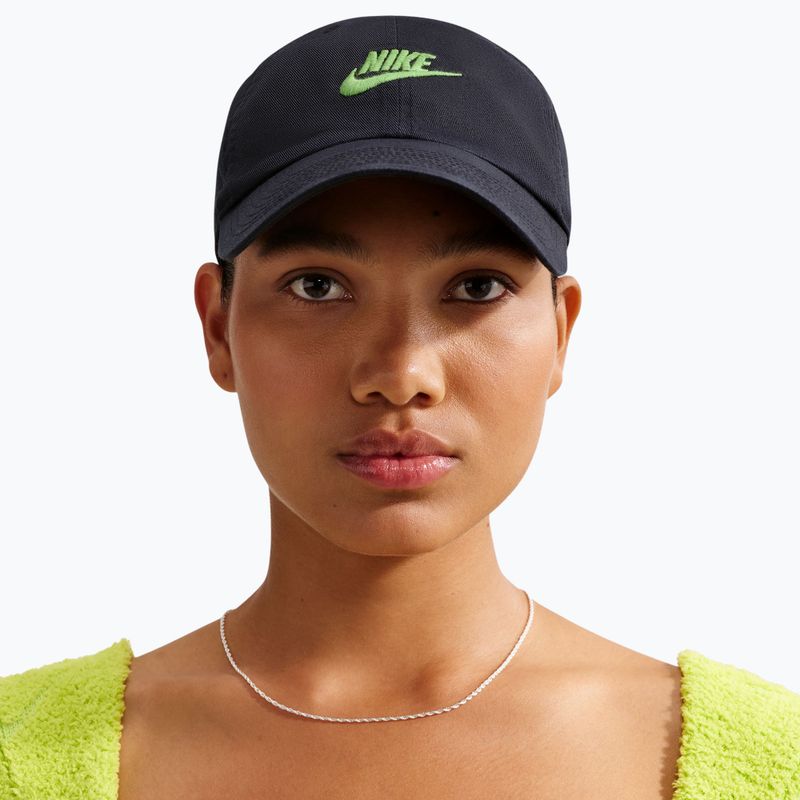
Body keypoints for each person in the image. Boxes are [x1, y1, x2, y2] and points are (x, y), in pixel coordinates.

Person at [2, 15, 799, 800]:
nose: (400, 373)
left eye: (476, 287)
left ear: (560, 333)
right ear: (218, 328)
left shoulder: (772, 762)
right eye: (318, 286)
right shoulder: (21, 754)